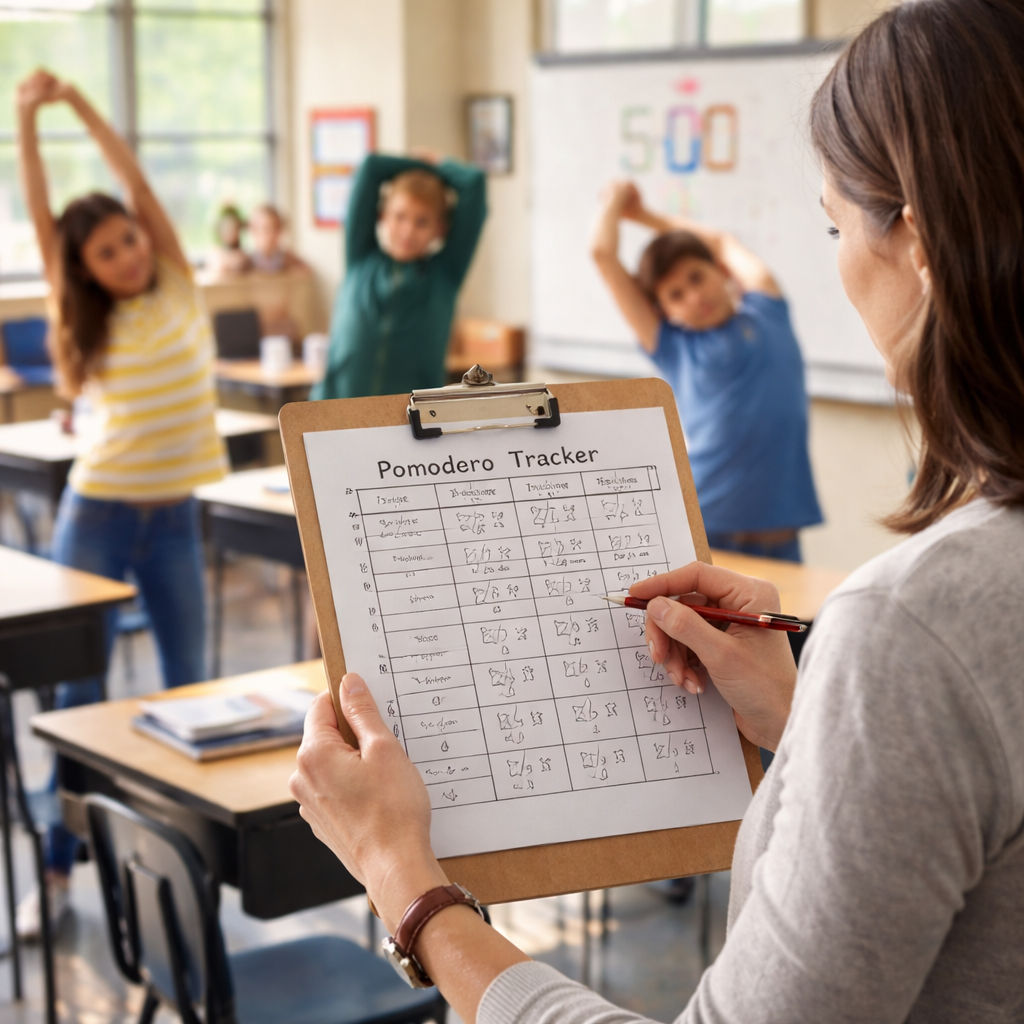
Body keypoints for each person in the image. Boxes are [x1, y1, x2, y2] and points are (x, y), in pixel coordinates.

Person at [288, 1, 1024, 1021]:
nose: (839, 266)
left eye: (834, 223)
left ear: (923, 239)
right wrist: (809, 721)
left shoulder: (916, 626)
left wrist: (409, 888)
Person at [17, 69, 226, 936]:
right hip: (96, 516)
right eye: (108, 254)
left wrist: (81, 107)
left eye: (131, 241)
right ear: (85, 270)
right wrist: (27, 121)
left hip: (174, 518)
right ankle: (60, 875)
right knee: (78, 697)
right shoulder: (84, 313)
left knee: (192, 694)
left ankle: (188, 867)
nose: (129, 256)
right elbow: (40, 214)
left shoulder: (177, 278)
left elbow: (134, 180)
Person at [590, 182, 822, 562]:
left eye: (696, 278)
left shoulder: (769, 310)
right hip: (706, 530)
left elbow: (722, 242)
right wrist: (615, 199)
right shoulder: (672, 347)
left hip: (780, 537)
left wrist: (644, 216)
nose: (694, 298)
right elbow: (602, 255)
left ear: (719, 271)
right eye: (675, 295)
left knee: (786, 619)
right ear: (664, 311)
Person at [311, 152, 486, 400]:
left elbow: (473, 183)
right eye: (399, 216)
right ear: (383, 216)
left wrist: (436, 166)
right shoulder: (360, 259)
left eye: (422, 222)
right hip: (332, 410)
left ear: (440, 229)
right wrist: (418, 164)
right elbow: (371, 168)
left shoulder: (444, 275)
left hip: (410, 423)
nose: (408, 230)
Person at [248, 202, 309, 274]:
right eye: (266, 228)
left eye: (276, 228)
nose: (272, 234)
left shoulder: (288, 259)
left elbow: (306, 271)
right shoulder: (247, 261)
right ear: (253, 231)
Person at [207, 202, 251, 278]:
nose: (231, 233)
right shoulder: (215, 254)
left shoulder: (244, 256)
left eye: (234, 228)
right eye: (226, 229)